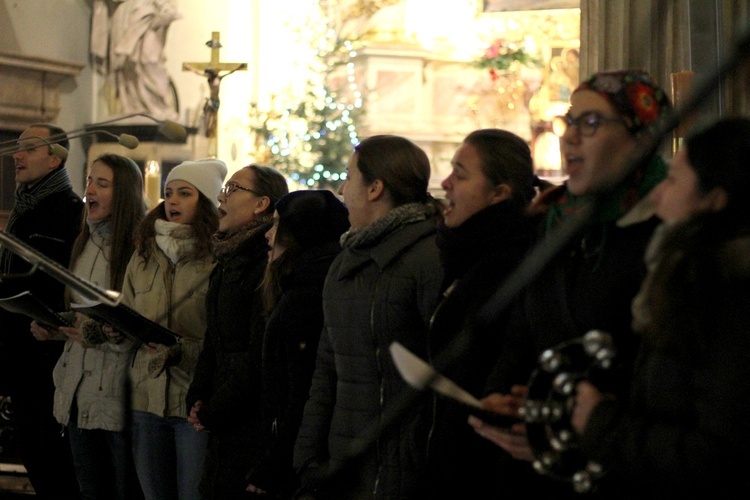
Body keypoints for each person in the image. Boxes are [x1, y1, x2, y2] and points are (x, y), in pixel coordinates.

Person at [468, 69, 673, 496]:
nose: (569, 138)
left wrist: (563, 424)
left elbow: (668, 388)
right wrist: (499, 398)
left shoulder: (668, 236)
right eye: (569, 121)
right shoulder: (554, 225)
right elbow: (522, 337)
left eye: (591, 123)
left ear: (641, 138)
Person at [570, 116, 750, 497]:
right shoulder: (688, 276)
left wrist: (601, 423)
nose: (656, 195)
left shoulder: (726, 291)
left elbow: (718, 455)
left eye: (672, 181)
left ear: (714, 200)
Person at [293, 135, 444, 499]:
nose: (342, 189)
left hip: (403, 466)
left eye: (349, 177)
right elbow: (327, 366)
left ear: (375, 188)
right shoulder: (347, 260)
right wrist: (307, 457)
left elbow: (441, 374)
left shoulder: (428, 257)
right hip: (344, 461)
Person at [422, 129, 538, 497]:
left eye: (461, 173)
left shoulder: (510, 267)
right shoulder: (469, 256)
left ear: (499, 193)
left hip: (486, 472)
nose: (445, 183)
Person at [29, 154, 145, 500]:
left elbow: (137, 319)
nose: (89, 190)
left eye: (102, 184)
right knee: (90, 490)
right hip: (78, 392)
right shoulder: (86, 241)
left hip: (118, 393)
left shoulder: (137, 248)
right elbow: (81, 310)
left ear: (123, 193)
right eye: (89, 181)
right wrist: (55, 325)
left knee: (125, 490)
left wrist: (97, 333)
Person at [124, 159, 226, 500]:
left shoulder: (217, 257)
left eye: (185, 193)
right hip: (146, 398)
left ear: (206, 201)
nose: (173, 201)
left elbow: (221, 336)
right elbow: (126, 308)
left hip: (191, 403)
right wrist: (111, 327)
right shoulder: (144, 252)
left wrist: (183, 349)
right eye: (169, 193)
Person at [185, 165, 288, 499]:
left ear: (261, 204)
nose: (220, 197)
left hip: (248, 420)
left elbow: (259, 350)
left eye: (232, 189)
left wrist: (218, 407)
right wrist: (199, 393)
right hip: (222, 413)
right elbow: (214, 338)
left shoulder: (265, 261)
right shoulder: (229, 255)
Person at [245, 190, 350, 498]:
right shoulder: (303, 282)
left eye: (277, 224)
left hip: (293, 460)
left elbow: (300, 393)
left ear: (300, 231)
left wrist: (271, 466)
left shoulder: (305, 296)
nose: (268, 234)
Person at [0, 124, 84, 499]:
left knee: (52, 462)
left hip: (46, 351)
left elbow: (57, 286)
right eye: (17, 148)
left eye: (29, 149)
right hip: (18, 349)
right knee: (35, 458)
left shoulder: (67, 211)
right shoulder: (27, 205)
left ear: (55, 159)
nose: (16, 156)